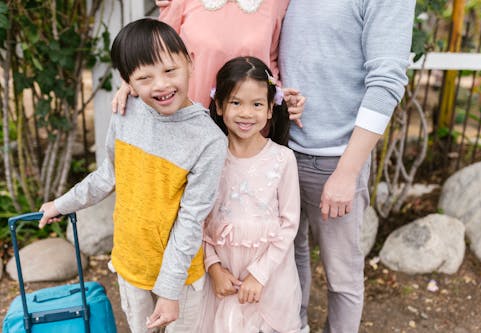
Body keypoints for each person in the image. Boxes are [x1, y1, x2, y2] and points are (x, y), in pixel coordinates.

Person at [38, 18, 227, 333]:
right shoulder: (125, 112)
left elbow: (192, 220)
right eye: (144, 77)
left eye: (170, 71)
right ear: (128, 82)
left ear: (190, 62)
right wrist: (62, 204)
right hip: (131, 265)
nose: (161, 85)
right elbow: (108, 175)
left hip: (180, 277)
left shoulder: (208, 140)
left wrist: (169, 290)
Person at [278, 1, 416, 332]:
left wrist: (347, 172)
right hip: (281, 153)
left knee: (342, 277)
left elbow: (387, 82)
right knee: (287, 266)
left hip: (336, 159)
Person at [199, 56, 301, 332]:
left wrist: (259, 275)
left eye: (256, 104)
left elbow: (289, 223)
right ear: (219, 106)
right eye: (236, 102)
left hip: (270, 277)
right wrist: (214, 268)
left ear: (270, 109)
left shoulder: (283, 159)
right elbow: (199, 221)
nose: (246, 113)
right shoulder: (209, 159)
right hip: (224, 277)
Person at [112, 0, 305, 128]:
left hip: (247, 129)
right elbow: (157, 52)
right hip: (191, 125)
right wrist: (130, 82)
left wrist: (280, 97)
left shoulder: (277, 3)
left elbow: (270, 62)